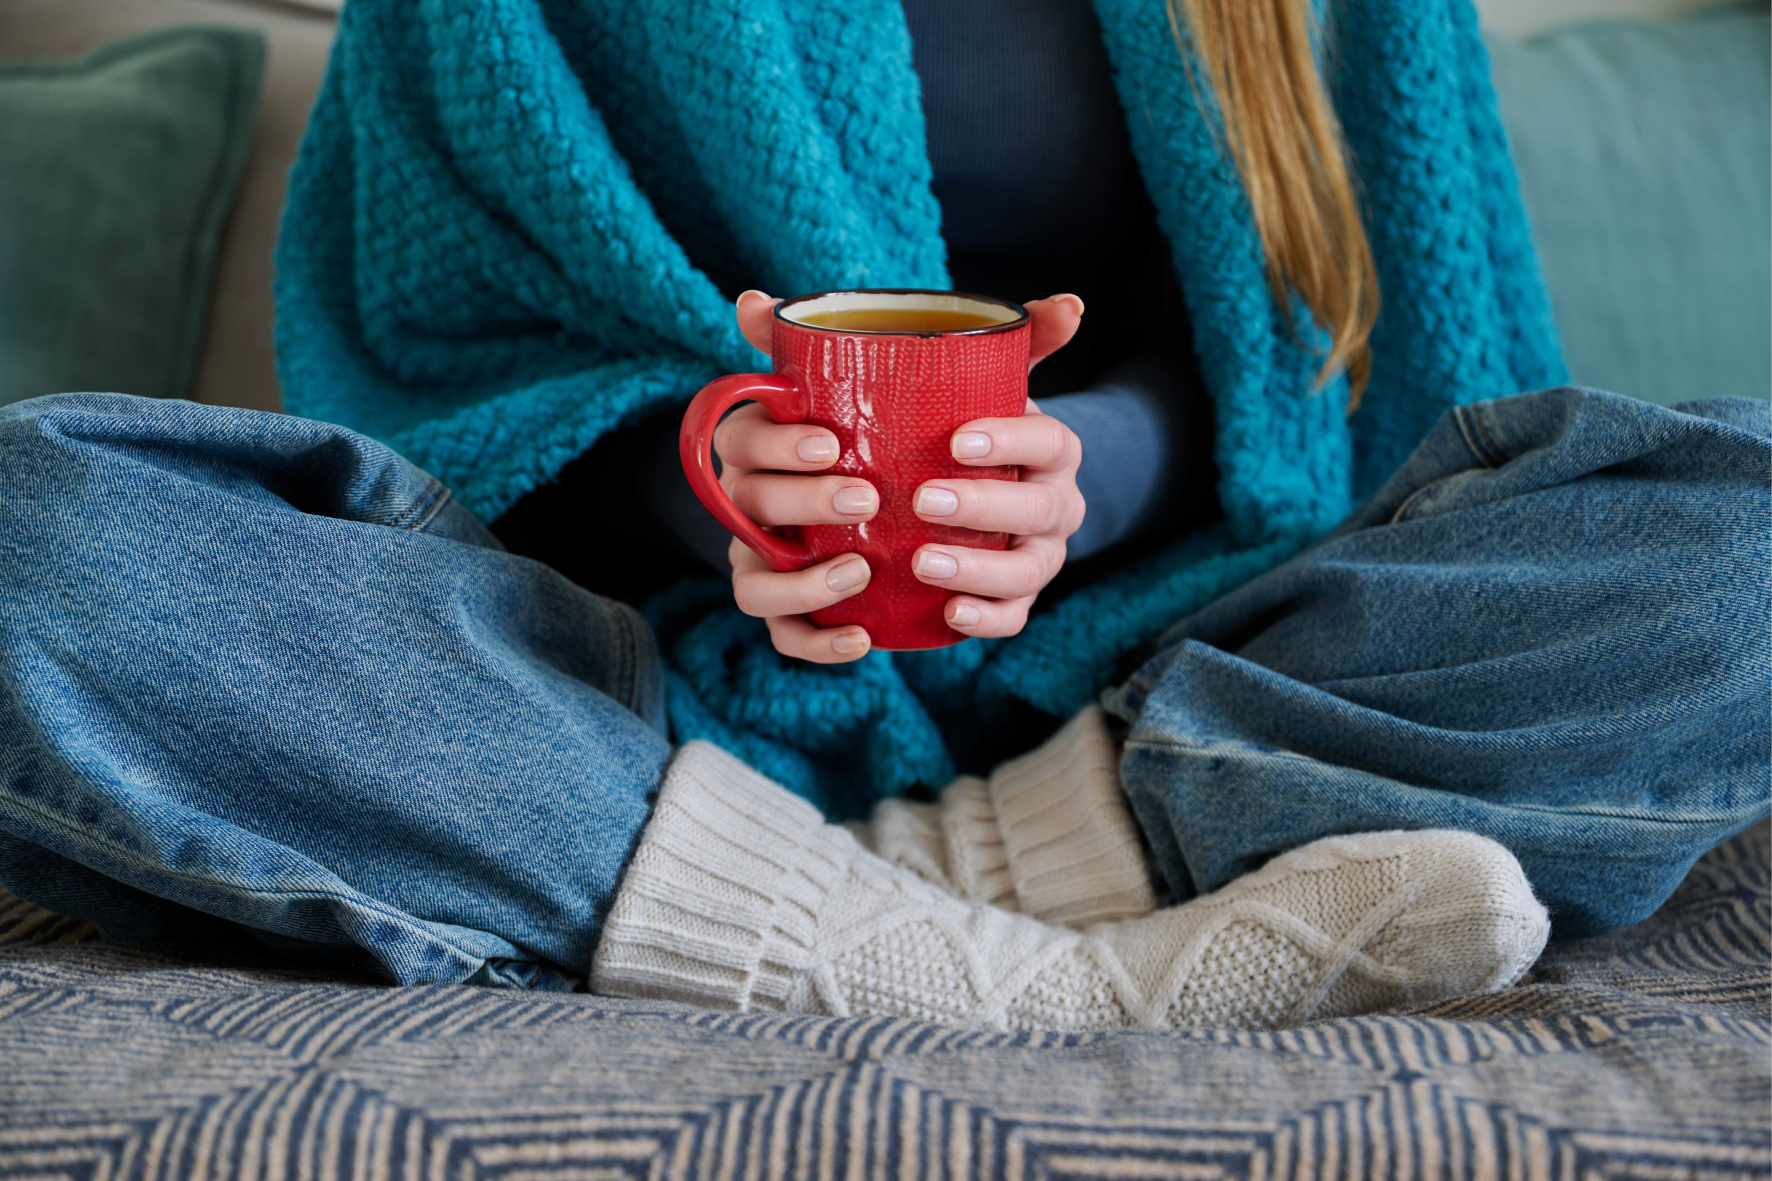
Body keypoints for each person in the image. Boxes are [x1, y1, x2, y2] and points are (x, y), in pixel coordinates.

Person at [0, 0, 1766, 1029]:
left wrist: (1090, 484)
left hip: (1195, 664)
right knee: (35, 526)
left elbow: (1340, 352)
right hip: (640, 693)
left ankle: (999, 867)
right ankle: (928, 933)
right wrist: (711, 478)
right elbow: (434, 346)